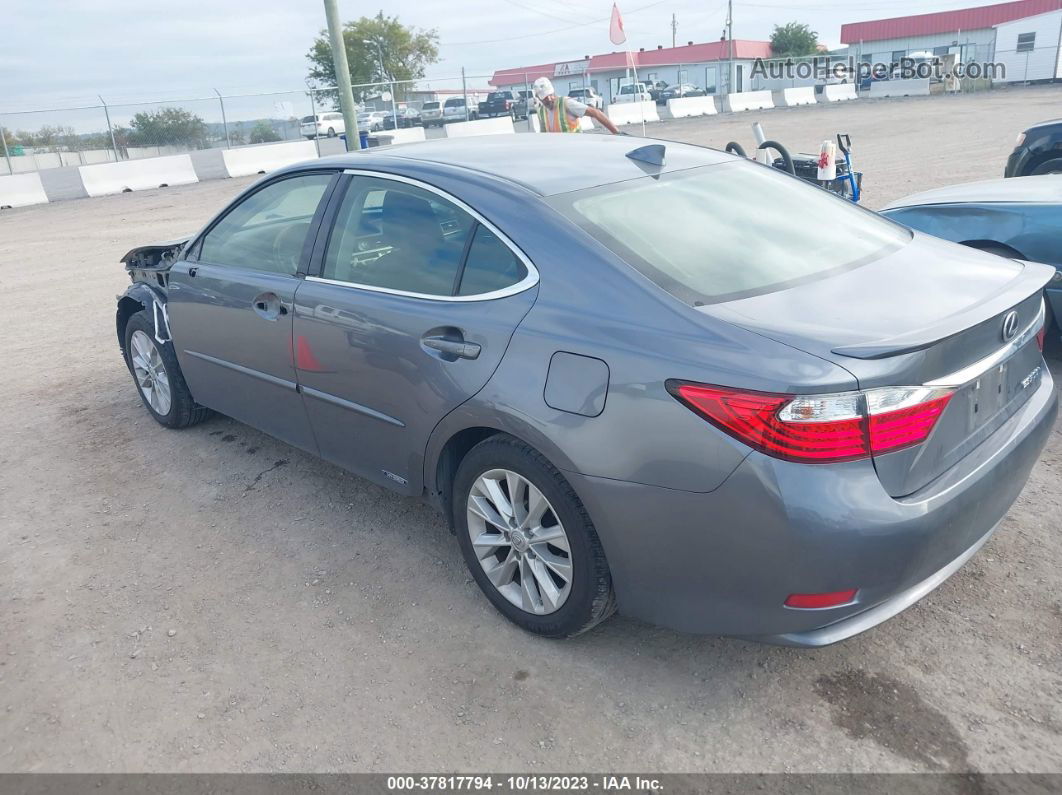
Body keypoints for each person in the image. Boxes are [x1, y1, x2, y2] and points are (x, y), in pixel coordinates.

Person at [532, 77, 619, 135]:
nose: (550, 99)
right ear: (539, 98)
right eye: (545, 98)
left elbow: (596, 113)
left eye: (551, 95)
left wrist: (617, 133)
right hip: (558, 154)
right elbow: (544, 134)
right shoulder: (542, 111)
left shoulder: (566, 103)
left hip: (576, 150)